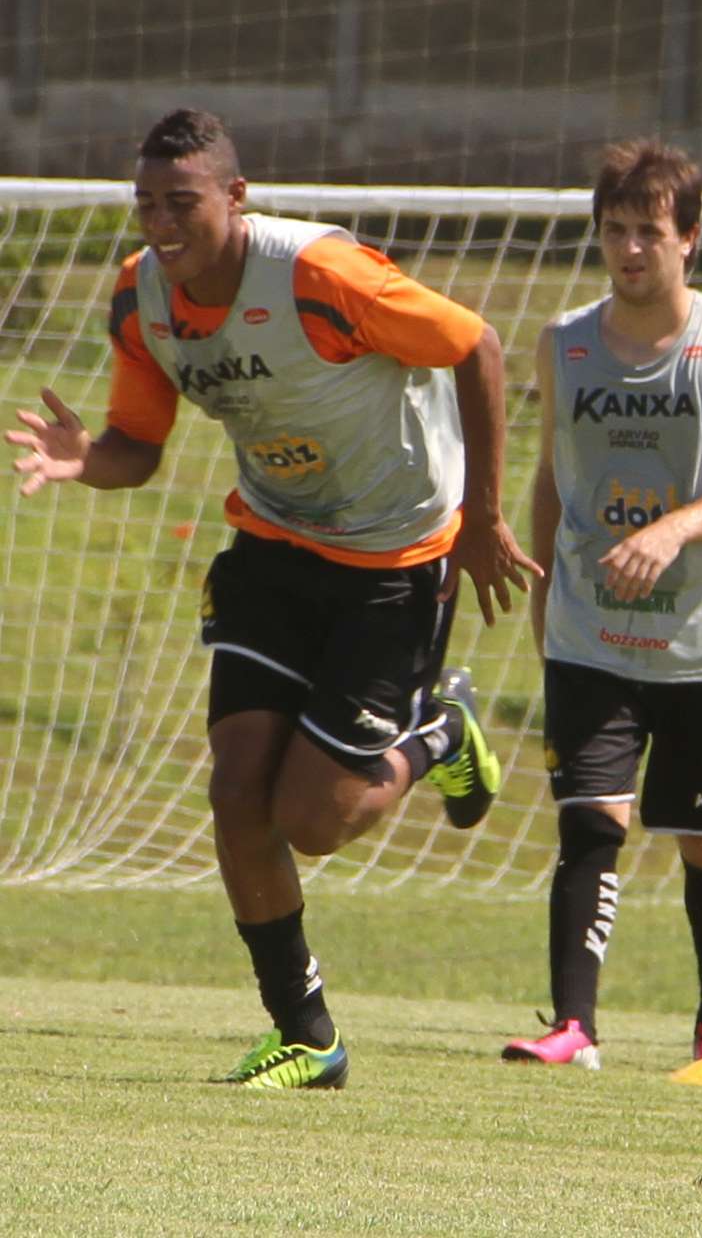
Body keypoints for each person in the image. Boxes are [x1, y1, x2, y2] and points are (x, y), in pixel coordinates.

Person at [7, 108, 536, 1088]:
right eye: (146, 203)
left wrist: (482, 519)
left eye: (183, 202)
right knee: (233, 788)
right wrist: (87, 461)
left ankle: (441, 733)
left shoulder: (319, 276)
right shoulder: (139, 301)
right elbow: (140, 446)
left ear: (235, 198)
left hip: (393, 558)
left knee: (315, 819)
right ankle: (307, 1032)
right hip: (276, 545)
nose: (162, 224)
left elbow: (476, 345)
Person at [497, 140, 702, 1082]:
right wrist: (546, 593)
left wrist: (672, 532)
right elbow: (552, 475)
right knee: (589, 820)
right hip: (592, 631)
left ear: (689, 239)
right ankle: (572, 1027)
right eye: (614, 230)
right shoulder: (564, 341)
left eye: (649, 232)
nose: (629, 250)